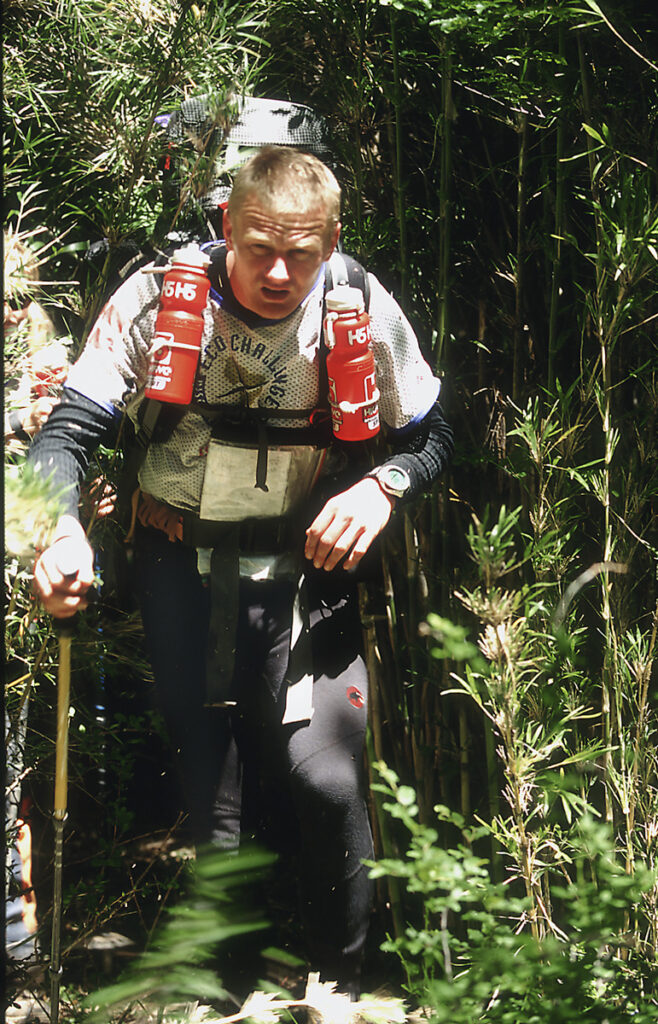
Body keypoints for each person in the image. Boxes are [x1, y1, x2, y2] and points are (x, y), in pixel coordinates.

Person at [29, 146, 453, 994]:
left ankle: (341, 987)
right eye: (259, 246)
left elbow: (438, 433)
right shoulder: (158, 297)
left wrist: (385, 486)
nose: (278, 272)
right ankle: (226, 994)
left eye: (302, 252)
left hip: (307, 569)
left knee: (327, 782)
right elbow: (64, 434)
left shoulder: (357, 303)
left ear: (332, 239)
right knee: (214, 799)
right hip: (180, 565)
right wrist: (60, 532)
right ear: (229, 225)